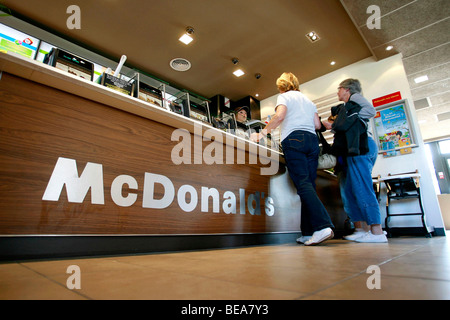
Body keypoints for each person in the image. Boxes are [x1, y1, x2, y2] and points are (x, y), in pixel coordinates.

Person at [251, 72, 334, 246]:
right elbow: (318, 125)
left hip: (294, 140)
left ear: (282, 85)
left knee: (303, 184)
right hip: (312, 142)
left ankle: (323, 226)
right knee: (308, 186)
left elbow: (280, 116)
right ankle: (307, 232)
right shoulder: (308, 101)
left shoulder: (284, 97)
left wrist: (262, 133)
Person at [323, 79, 387, 243]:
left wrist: (349, 121)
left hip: (360, 146)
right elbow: (333, 126)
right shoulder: (344, 110)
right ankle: (360, 229)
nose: (338, 93)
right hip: (349, 151)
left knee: (361, 186)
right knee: (349, 189)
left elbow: (370, 110)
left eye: (339, 89)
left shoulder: (355, 98)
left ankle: (377, 231)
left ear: (346, 89)